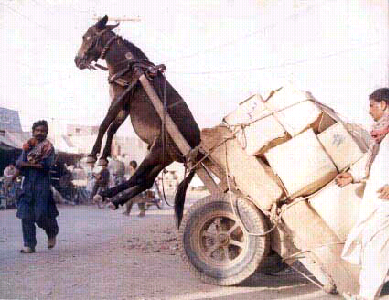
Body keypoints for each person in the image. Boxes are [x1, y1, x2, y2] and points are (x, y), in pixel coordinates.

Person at [336, 88, 389, 300]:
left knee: (375, 250)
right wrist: (353, 177)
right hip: (377, 203)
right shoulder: (382, 137)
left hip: (385, 205)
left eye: (372, 105)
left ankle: (366, 297)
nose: (369, 111)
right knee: (373, 248)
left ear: (383, 105)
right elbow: (376, 166)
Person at [15, 120, 58, 253]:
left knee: (41, 215)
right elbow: (18, 163)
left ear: (46, 133)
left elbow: (45, 166)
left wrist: (26, 165)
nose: (40, 133)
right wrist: (22, 165)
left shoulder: (49, 148)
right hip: (28, 184)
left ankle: (52, 231)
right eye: (37, 130)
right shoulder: (27, 146)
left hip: (42, 184)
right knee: (25, 215)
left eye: (43, 131)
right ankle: (29, 244)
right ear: (33, 132)